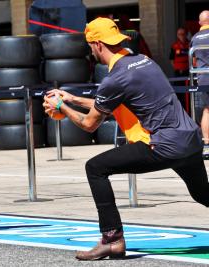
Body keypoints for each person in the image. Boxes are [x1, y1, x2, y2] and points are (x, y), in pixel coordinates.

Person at [43, 17, 209, 260]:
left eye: (91, 47)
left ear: (97, 44)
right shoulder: (143, 61)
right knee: (202, 194)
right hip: (190, 139)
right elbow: (116, 103)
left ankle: (112, 239)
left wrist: (61, 106)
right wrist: (72, 99)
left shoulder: (116, 77)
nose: (91, 52)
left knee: (95, 168)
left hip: (164, 145)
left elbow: (90, 123)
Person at [191, 10, 209, 158]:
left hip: (203, 78)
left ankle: (207, 145)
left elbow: (194, 62)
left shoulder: (195, 38)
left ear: (199, 23)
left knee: (207, 111)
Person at [169, 27, 190, 109]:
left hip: (188, 72)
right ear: (177, 35)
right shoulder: (174, 46)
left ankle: (189, 109)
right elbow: (171, 59)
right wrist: (176, 68)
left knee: (188, 92)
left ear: (186, 35)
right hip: (178, 73)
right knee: (178, 92)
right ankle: (180, 109)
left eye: (183, 34)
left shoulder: (190, 44)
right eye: (179, 34)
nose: (181, 36)